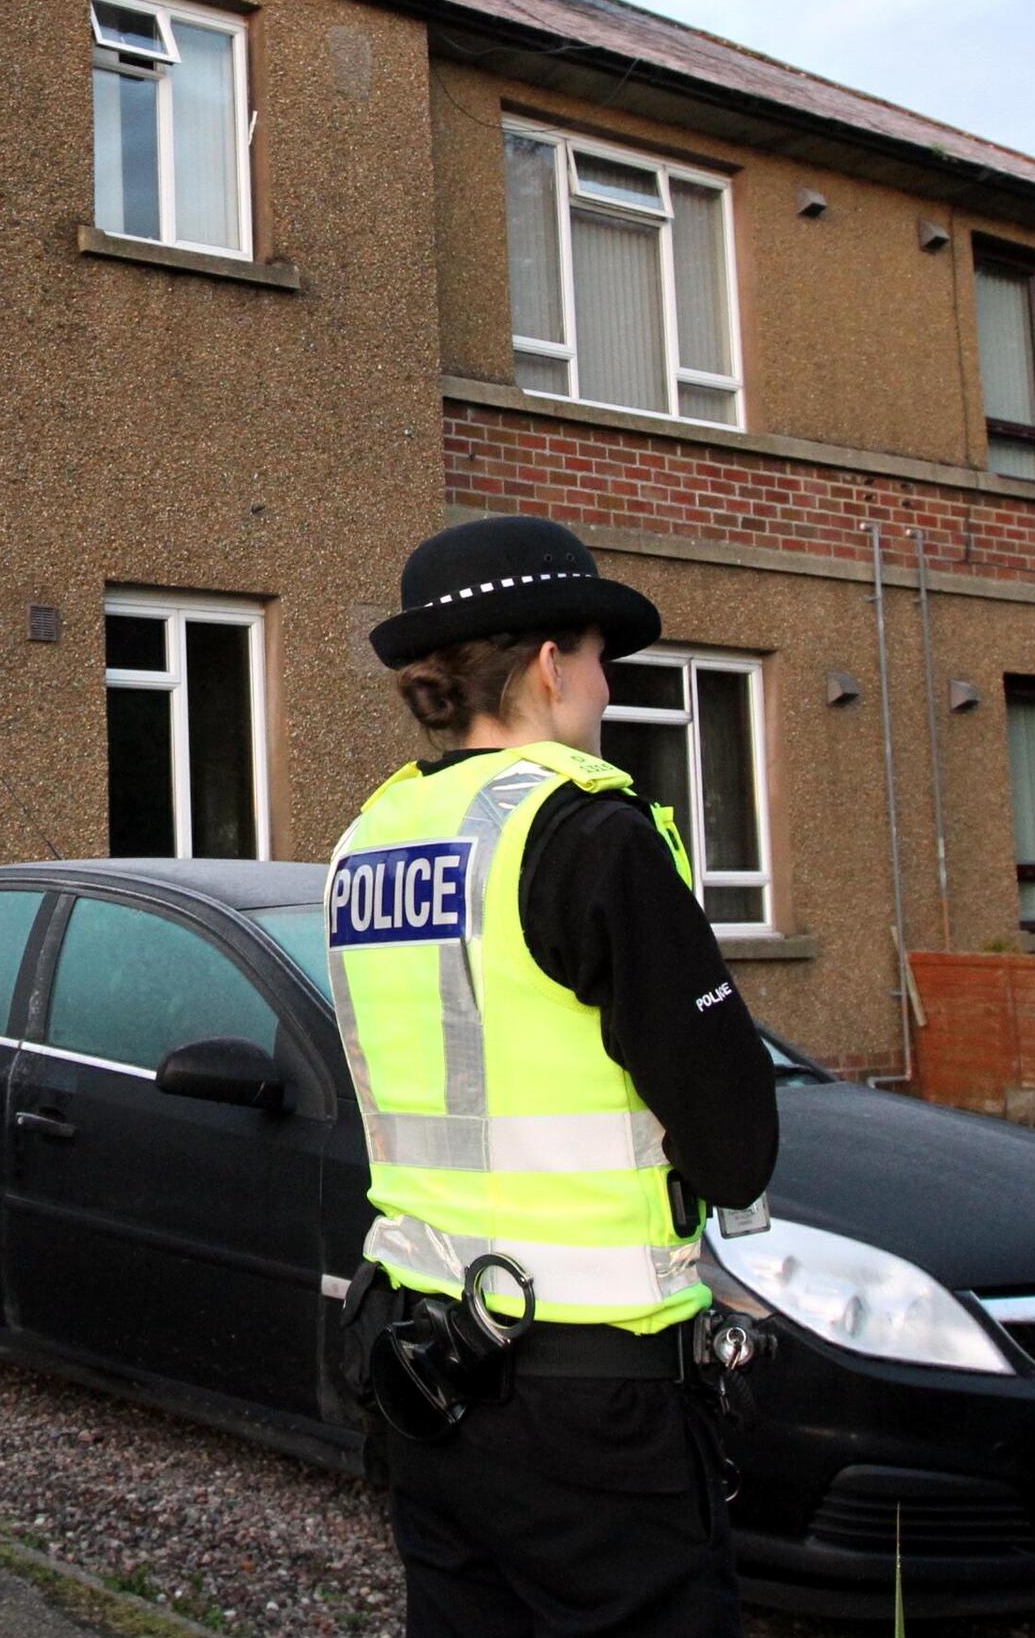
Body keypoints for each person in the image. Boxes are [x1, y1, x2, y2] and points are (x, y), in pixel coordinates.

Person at [332, 513, 779, 1638]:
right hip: (593, 1393)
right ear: (547, 664)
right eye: (597, 658)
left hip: (422, 1364)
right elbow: (735, 1145)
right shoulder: (587, 832)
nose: (607, 691)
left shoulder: (369, 840)